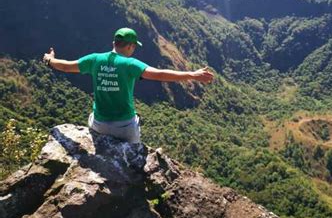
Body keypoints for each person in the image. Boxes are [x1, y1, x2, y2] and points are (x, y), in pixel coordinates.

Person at [42, 27, 214, 143]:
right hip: (125, 127)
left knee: (92, 116)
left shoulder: (94, 59)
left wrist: (50, 60)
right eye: (134, 47)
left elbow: (65, 66)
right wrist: (192, 75)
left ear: (114, 44)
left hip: (100, 125)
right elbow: (160, 74)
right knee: (134, 141)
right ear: (130, 46)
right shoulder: (130, 64)